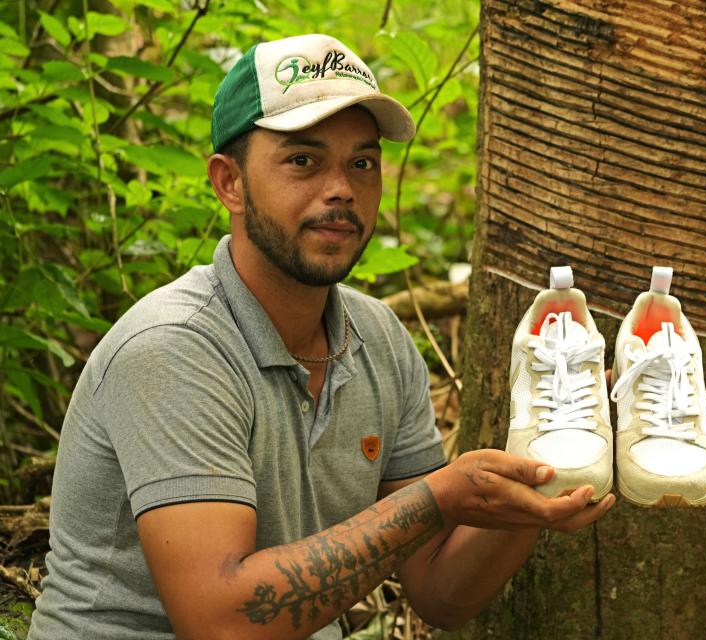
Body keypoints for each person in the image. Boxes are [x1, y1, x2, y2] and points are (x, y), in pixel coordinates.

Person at [26, 34, 621, 640]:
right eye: (303, 161)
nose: (340, 189)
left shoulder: (379, 340)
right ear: (229, 182)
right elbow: (221, 623)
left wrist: (543, 478)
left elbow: (441, 593)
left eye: (362, 163)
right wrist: (436, 500)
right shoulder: (173, 347)